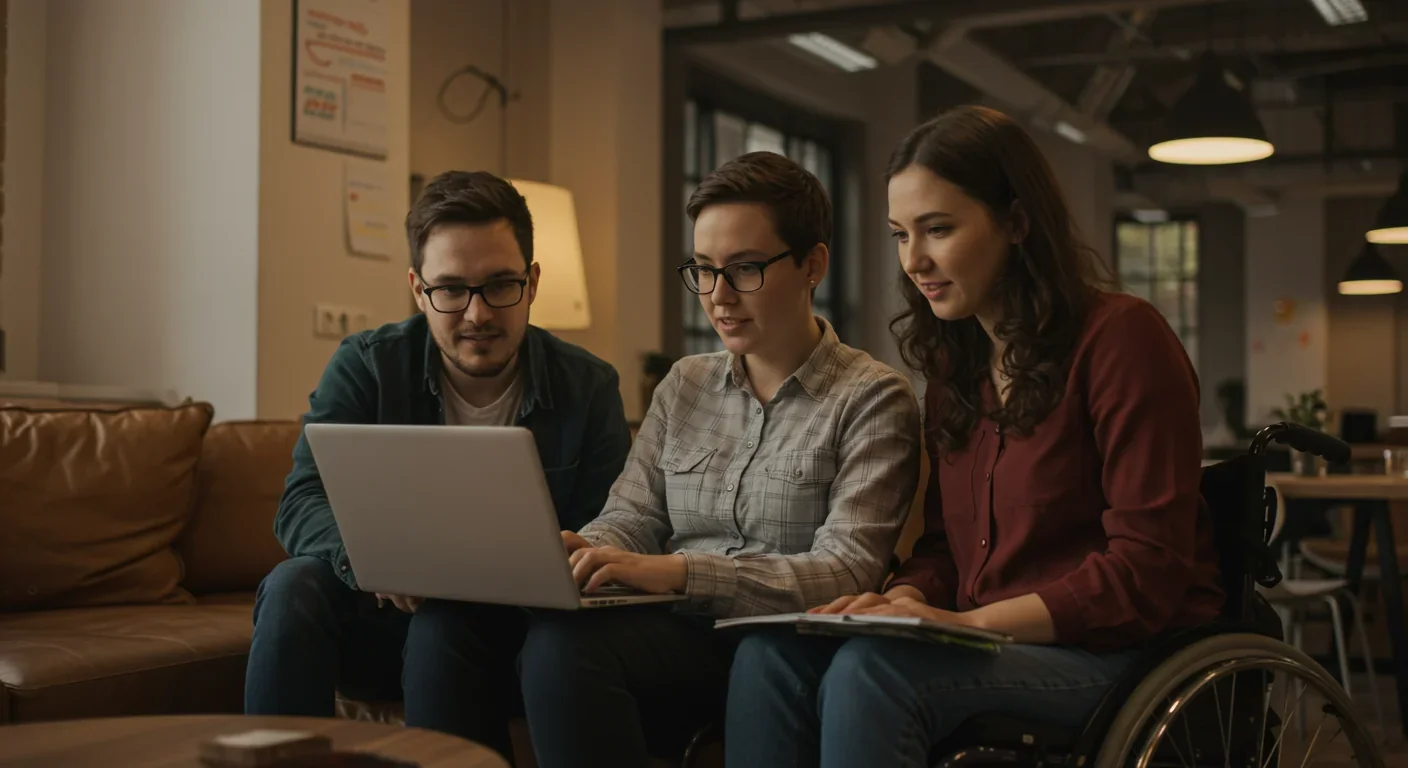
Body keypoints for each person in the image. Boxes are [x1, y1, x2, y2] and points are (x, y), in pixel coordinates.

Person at [724, 105, 1226, 767]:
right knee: (772, 657)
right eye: (900, 234)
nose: (914, 260)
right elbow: (945, 553)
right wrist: (901, 600)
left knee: (873, 673)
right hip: (992, 643)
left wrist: (963, 624)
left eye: (938, 229)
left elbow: (1147, 573)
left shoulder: (1122, 339)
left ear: (1016, 222)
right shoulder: (957, 369)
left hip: (1121, 656)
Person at [515, 151, 922, 768]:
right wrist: (589, 555)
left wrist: (680, 572)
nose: (718, 296)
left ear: (814, 264)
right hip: (681, 634)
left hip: (788, 644)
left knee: (761, 656)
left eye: (746, 269)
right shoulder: (685, 383)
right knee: (554, 643)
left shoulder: (872, 397)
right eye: (703, 270)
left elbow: (846, 573)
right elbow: (632, 515)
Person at [244, 170, 632, 761]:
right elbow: (300, 502)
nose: (477, 313)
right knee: (294, 583)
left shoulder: (589, 386)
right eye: (450, 289)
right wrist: (376, 560)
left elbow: (609, 532)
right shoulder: (368, 366)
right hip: (381, 621)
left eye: (500, 285)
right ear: (417, 289)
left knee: (448, 623)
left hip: (511, 638)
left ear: (531, 282)